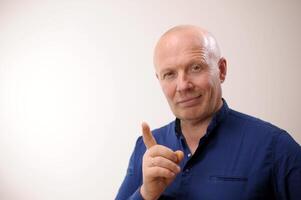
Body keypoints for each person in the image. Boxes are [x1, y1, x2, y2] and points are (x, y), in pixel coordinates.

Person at [115, 25, 301, 200]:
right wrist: (146, 193)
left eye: (195, 67)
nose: (183, 86)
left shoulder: (276, 147)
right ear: (159, 80)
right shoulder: (146, 149)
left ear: (221, 70)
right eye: (169, 74)